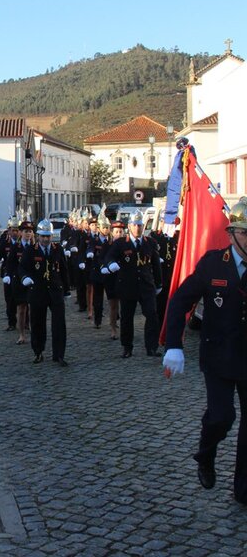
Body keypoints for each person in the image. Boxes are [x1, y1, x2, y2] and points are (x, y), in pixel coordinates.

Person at [163, 196, 247, 503]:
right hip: (219, 355)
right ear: (231, 233)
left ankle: (243, 489)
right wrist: (174, 345)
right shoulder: (213, 263)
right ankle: (206, 453)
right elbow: (180, 301)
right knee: (222, 417)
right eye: (245, 233)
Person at [105, 211, 162, 358]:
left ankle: (152, 347)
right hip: (128, 286)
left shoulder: (150, 243)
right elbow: (109, 256)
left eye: (140, 225)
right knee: (127, 318)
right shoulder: (121, 243)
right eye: (135, 225)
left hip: (146, 285)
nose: (138, 228)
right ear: (130, 226)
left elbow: (156, 264)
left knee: (152, 315)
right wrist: (111, 264)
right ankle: (127, 347)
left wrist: (159, 282)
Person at [19, 218, 70, 365]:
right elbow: (22, 268)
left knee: (59, 324)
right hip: (37, 291)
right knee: (37, 323)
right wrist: (25, 278)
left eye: (48, 236)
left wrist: (66, 289)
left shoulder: (57, 249)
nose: (46, 239)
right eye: (43, 236)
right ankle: (38, 352)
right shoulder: (30, 250)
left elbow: (64, 270)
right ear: (38, 236)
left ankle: (59, 354)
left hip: (55, 291)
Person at [3, 221, 33, 345]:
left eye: (30, 231)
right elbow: (10, 264)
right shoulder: (16, 247)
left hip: (32, 281)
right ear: (21, 233)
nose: (28, 234)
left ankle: (32, 327)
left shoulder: (35, 246)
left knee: (34, 307)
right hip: (19, 282)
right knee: (21, 308)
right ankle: (21, 335)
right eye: (26, 231)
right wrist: (8, 275)